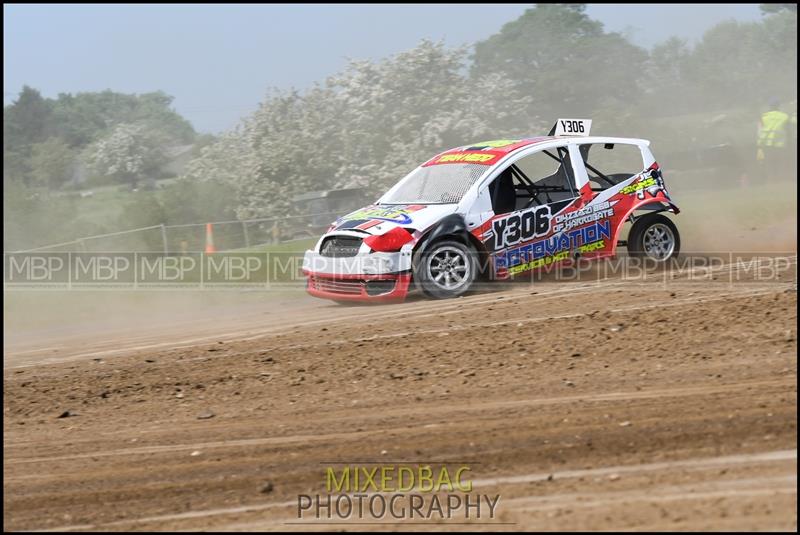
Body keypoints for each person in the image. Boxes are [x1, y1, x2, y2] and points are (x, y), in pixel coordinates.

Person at [756, 100, 791, 182]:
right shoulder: (784, 116)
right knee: (781, 163)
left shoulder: (763, 116)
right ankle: (781, 180)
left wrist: (759, 145)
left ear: (770, 107)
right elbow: (788, 131)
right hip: (780, 145)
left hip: (766, 145)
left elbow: (759, 132)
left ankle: (771, 180)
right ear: (778, 106)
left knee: (769, 164)